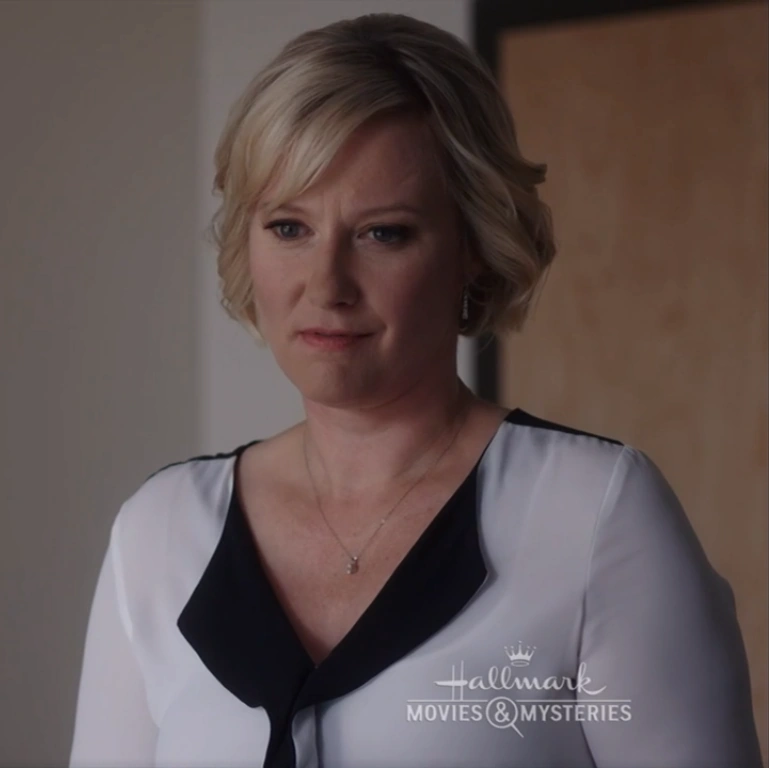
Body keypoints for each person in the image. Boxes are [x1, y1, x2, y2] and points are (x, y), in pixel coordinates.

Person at [68, 11, 763, 768]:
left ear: (473, 244)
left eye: (383, 233)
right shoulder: (160, 531)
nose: (326, 285)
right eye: (289, 227)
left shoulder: (592, 513)